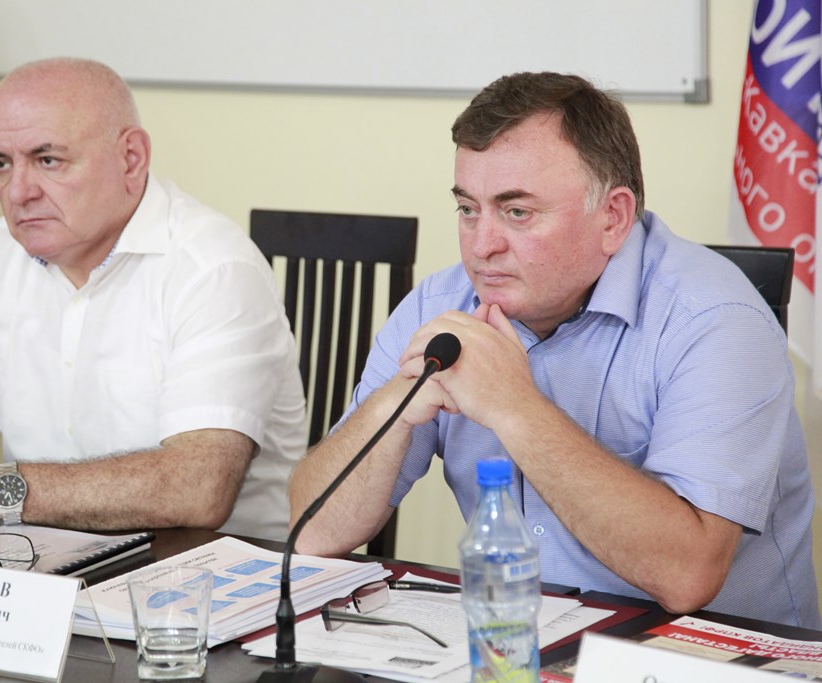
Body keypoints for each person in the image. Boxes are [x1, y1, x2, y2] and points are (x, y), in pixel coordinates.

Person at [289, 72, 820, 627]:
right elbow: (314, 531)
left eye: (517, 212)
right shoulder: (440, 306)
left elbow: (688, 576)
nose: (482, 246)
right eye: (468, 209)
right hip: (518, 634)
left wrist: (514, 407)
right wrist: (393, 408)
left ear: (613, 218)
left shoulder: (715, 320)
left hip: (700, 650)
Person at [0, 57, 306, 542]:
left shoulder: (213, 267)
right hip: (41, 562)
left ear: (131, 158)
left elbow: (198, 489)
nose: (18, 192)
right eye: (1, 164)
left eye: (48, 160)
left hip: (212, 572)